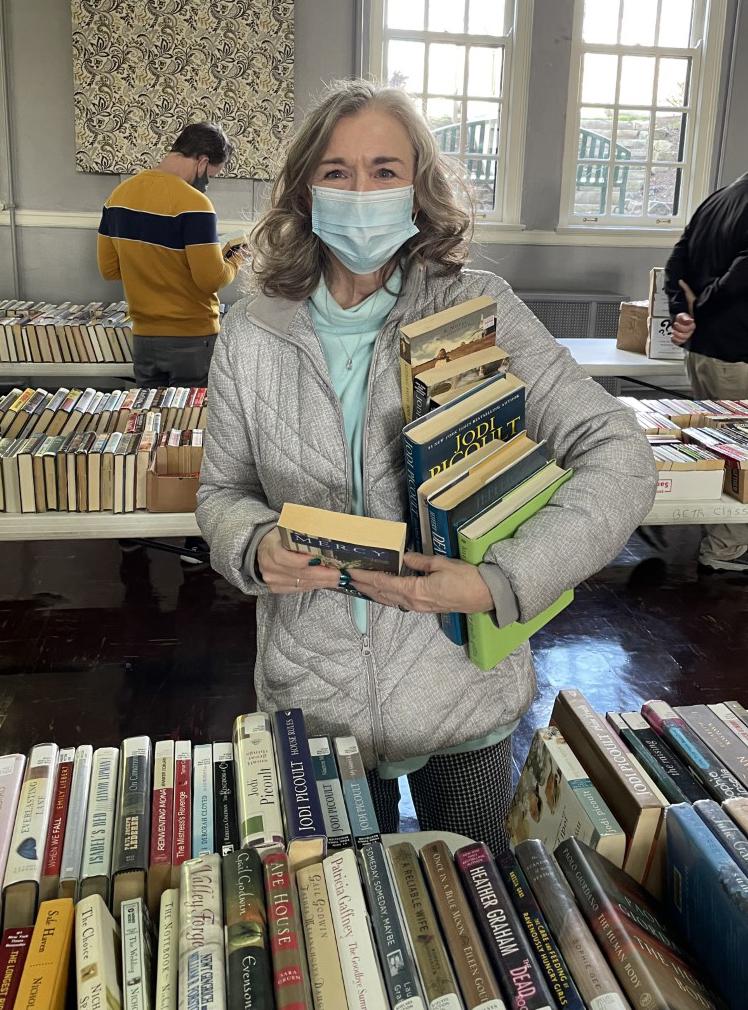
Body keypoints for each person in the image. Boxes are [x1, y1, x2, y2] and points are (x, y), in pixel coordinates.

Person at [196, 80, 656, 854]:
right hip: (317, 700)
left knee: (478, 904)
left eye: (385, 168)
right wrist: (250, 543)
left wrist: (500, 580)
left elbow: (621, 454)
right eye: (337, 171)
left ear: (418, 185)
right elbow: (222, 489)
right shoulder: (251, 330)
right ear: (305, 190)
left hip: (462, 690)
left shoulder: (479, 307)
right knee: (347, 916)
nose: (362, 190)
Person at [97, 122, 244, 387]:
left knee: (150, 420)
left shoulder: (117, 197)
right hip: (192, 340)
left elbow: (109, 270)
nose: (208, 183)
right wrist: (235, 260)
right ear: (202, 161)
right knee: (189, 421)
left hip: (143, 337)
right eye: (212, 174)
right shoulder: (195, 204)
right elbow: (210, 280)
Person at [665, 172, 748, 573]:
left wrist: (683, 313)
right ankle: (726, 549)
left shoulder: (720, 197)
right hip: (737, 353)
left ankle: (722, 543)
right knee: (738, 452)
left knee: (720, 445)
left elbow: (676, 263)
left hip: (705, 352)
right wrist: (699, 311)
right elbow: (742, 276)